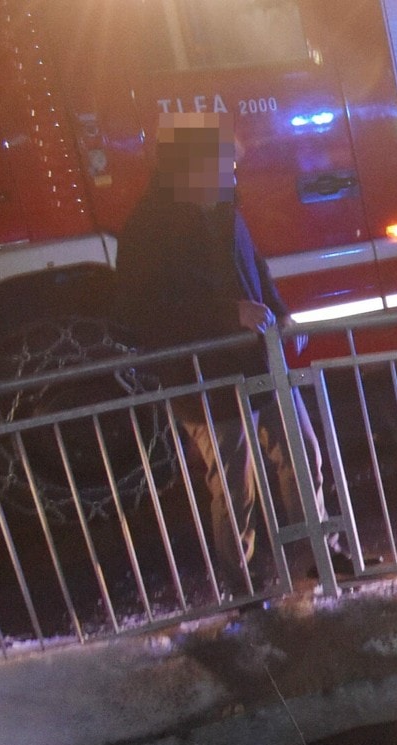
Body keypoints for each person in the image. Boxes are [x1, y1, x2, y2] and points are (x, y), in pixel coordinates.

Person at [113, 112, 339, 581]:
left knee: (304, 456)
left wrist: (283, 312)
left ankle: (322, 554)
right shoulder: (147, 230)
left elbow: (257, 270)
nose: (232, 172)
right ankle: (243, 582)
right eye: (222, 163)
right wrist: (226, 314)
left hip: (258, 360)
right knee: (235, 486)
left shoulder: (224, 209)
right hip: (204, 379)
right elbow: (144, 313)